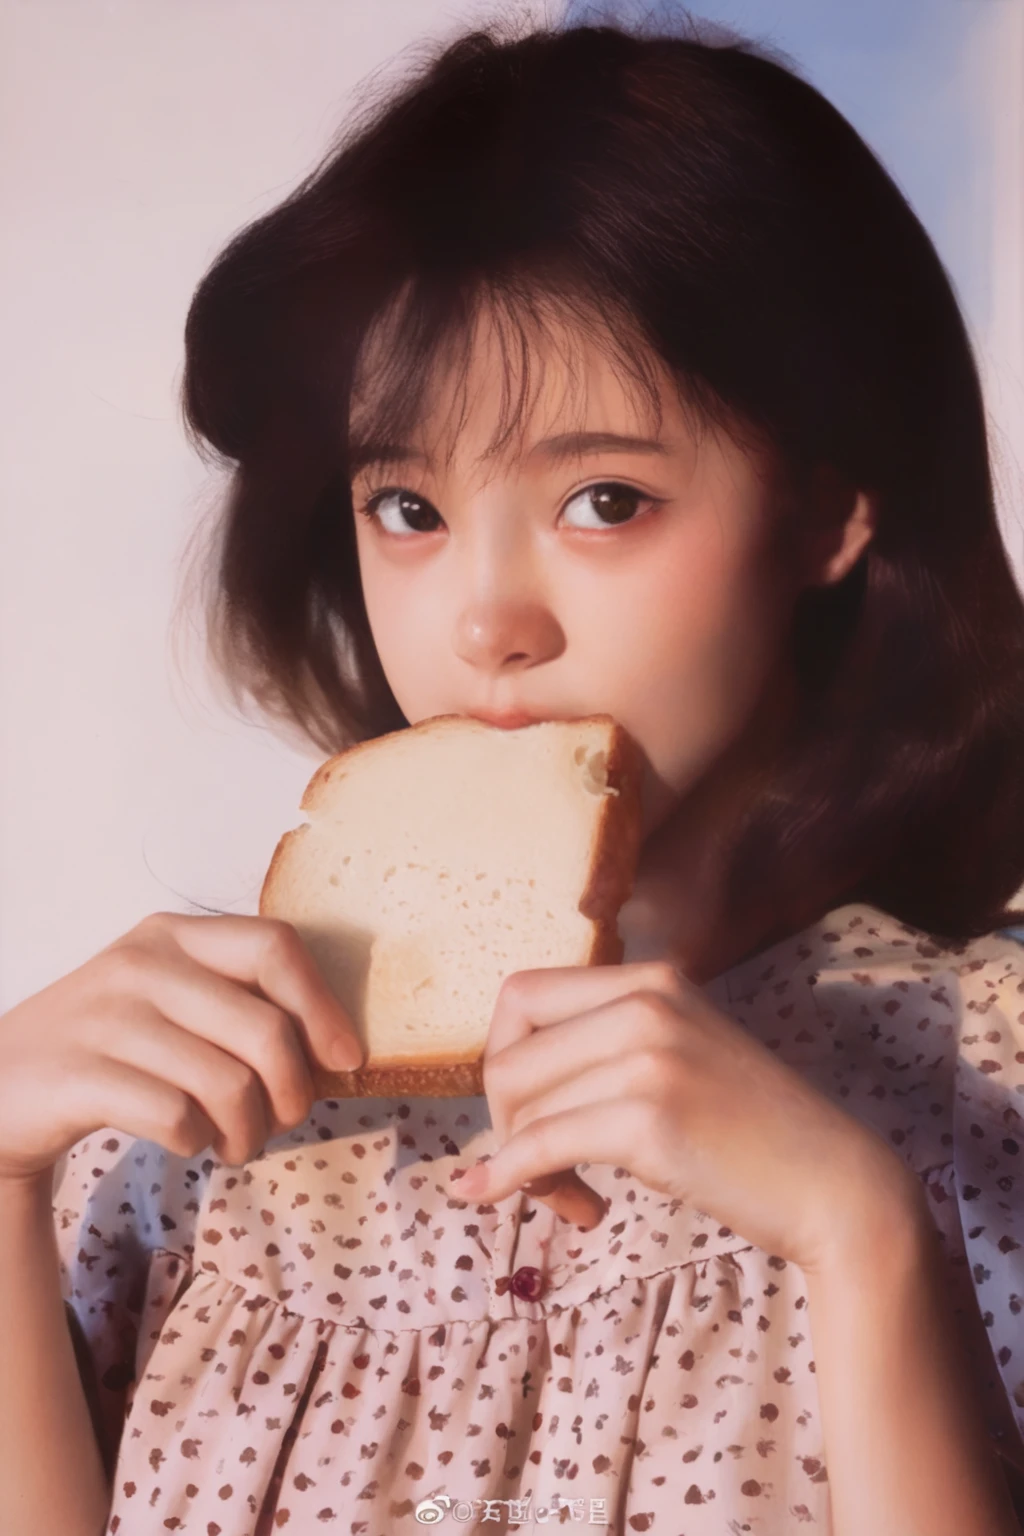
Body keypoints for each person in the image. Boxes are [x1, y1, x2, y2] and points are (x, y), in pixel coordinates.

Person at [2, 13, 1024, 1535]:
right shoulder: (204, 1116)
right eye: (405, 504)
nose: (487, 619)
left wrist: (858, 1231)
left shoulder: (985, 1072)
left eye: (605, 499)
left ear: (828, 512)